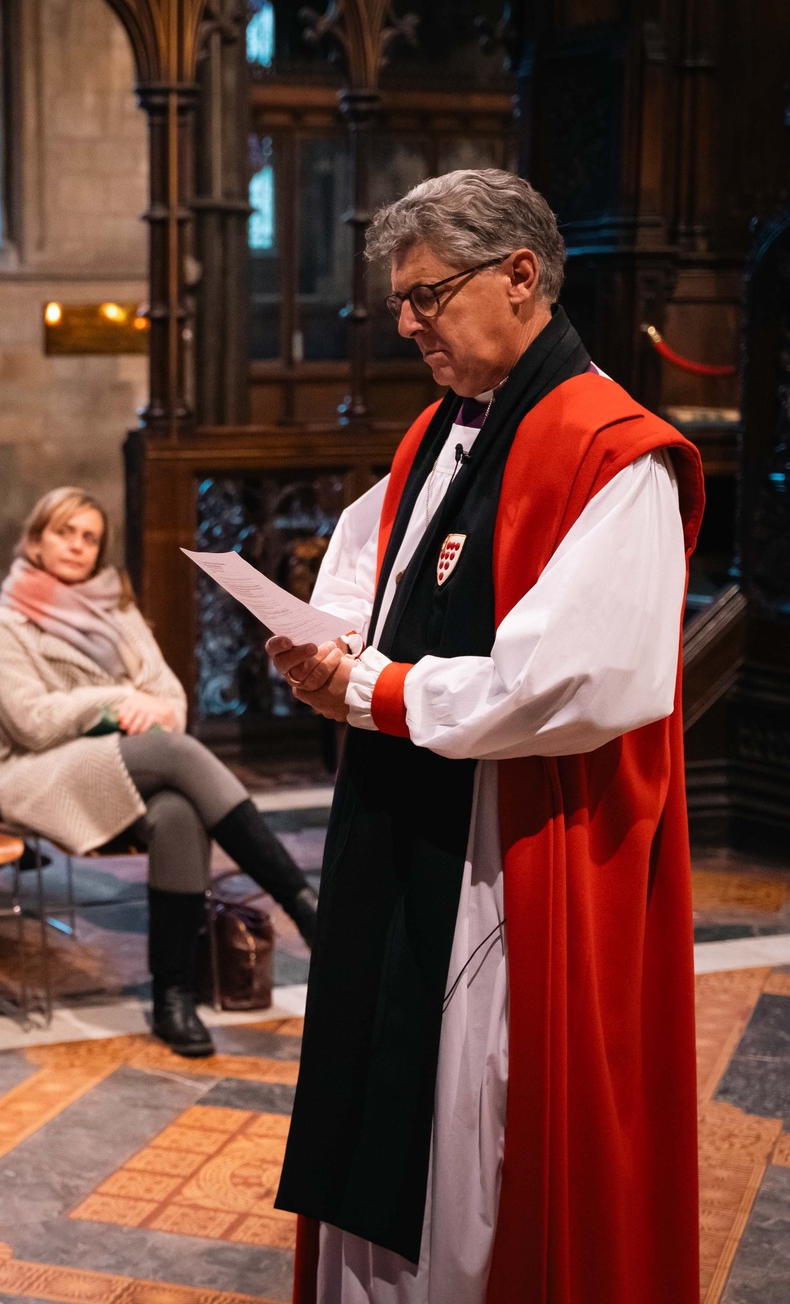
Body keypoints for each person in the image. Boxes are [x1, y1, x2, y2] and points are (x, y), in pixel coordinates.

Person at [268, 168, 701, 1303]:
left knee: (480, 1128)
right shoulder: (440, 431)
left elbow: (573, 682)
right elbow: (369, 574)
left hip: (512, 853)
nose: (405, 324)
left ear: (520, 276)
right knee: (384, 1096)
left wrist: (378, 694)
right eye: (399, 302)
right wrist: (322, 650)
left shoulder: (615, 453)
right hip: (409, 814)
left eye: (426, 296)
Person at [0, 487, 317, 1059]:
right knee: (178, 754)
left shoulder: (117, 608)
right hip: (44, 768)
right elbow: (31, 722)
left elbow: (169, 699)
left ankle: (172, 997)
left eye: (90, 537)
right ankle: (304, 904)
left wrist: (148, 708)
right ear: (36, 539)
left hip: (132, 759)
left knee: (179, 813)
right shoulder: (5, 623)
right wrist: (114, 704)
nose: (78, 546)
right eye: (65, 532)